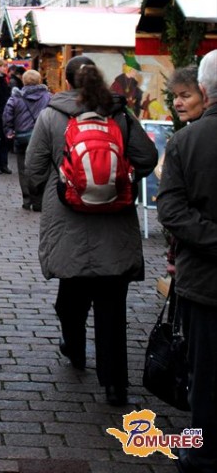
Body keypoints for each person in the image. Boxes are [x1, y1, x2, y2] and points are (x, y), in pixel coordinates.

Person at [25, 55, 157, 406]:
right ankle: (115, 385)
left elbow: (33, 169)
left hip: (67, 219)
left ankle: (74, 345)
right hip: (115, 221)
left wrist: (49, 190)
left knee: (72, 290)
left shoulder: (51, 115)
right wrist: (123, 180)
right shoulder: (119, 114)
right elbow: (147, 157)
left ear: (66, 82)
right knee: (112, 304)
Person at [157, 50, 217, 473]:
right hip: (203, 279)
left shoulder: (186, 141)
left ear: (205, 91)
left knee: (207, 374)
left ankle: (204, 455)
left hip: (205, 281)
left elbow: (172, 211)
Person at [3, 69, 50, 211]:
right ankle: (38, 200)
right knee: (42, 168)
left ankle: (27, 199)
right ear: (39, 80)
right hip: (42, 137)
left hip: (22, 137)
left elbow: (7, 114)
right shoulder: (48, 97)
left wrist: (9, 130)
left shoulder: (16, 97)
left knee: (23, 168)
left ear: (24, 81)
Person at [155, 65, 205, 181]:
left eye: (185, 96)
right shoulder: (182, 136)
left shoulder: (199, 135)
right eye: (175, 96)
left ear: (205, 96)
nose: (177, 103)